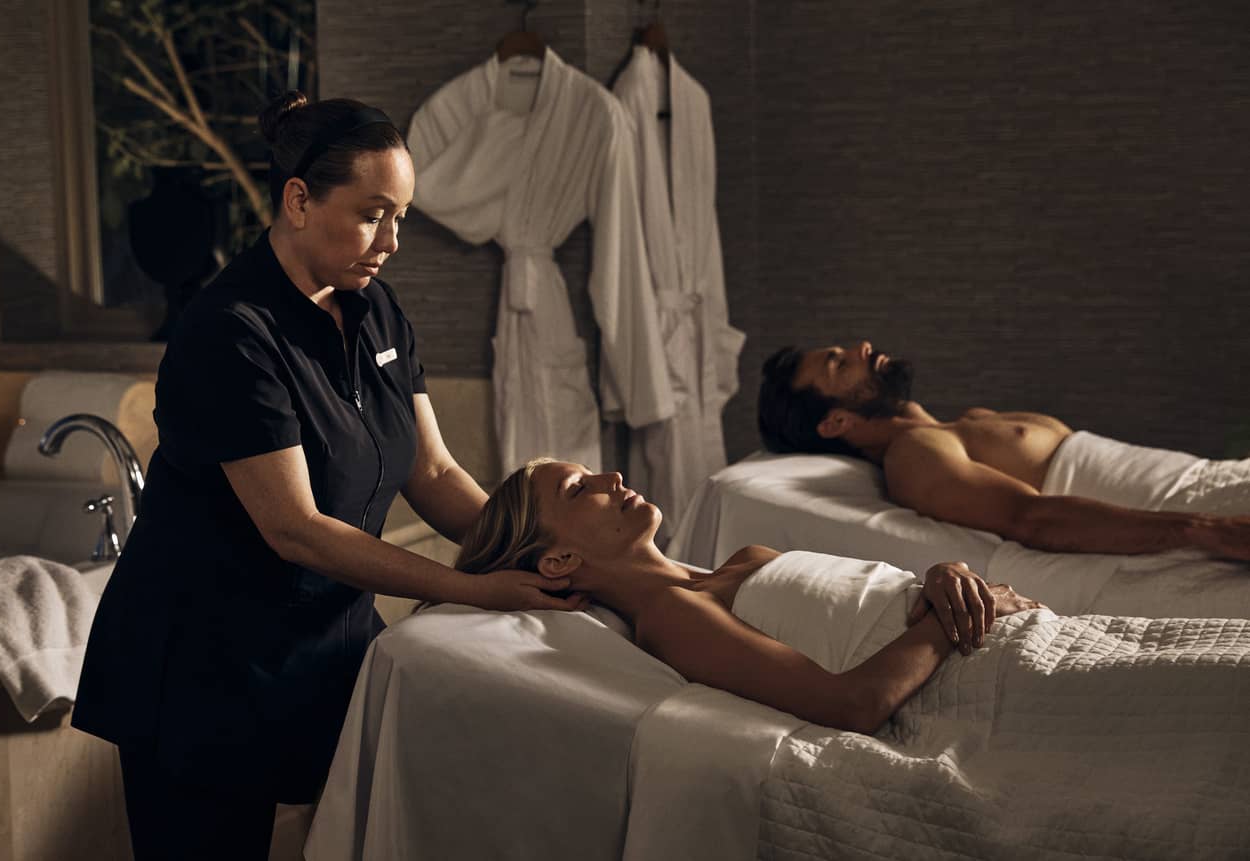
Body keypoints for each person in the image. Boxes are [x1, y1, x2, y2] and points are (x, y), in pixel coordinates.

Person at [70, 92, 586, 860]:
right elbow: (296, 528)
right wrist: (478, 586)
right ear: (299, 200)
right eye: (374, 213)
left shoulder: (374, 310)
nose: (393, 240)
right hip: (197, 672)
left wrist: (538, 550)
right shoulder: (228, 331)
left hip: (323, 646)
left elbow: (433, 468)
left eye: (402, 216)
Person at [451, 458, 1044, 734]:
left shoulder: (745, 562)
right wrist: (947, 617)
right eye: (581, 490)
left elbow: (886, 598)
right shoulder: (670, 616)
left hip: (1014, 630)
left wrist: (947, 572)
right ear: (559, 561)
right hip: (989, 671)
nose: (614, 480)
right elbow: (852, 705)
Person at [756, 341, 1250, 560]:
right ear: (836, 421)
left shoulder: (963, 422)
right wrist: (1200, 528)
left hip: (1214, 480)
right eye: (839, 364)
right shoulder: (914, 454)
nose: (861, 346)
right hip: (1201, 511)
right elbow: (1031, 519)